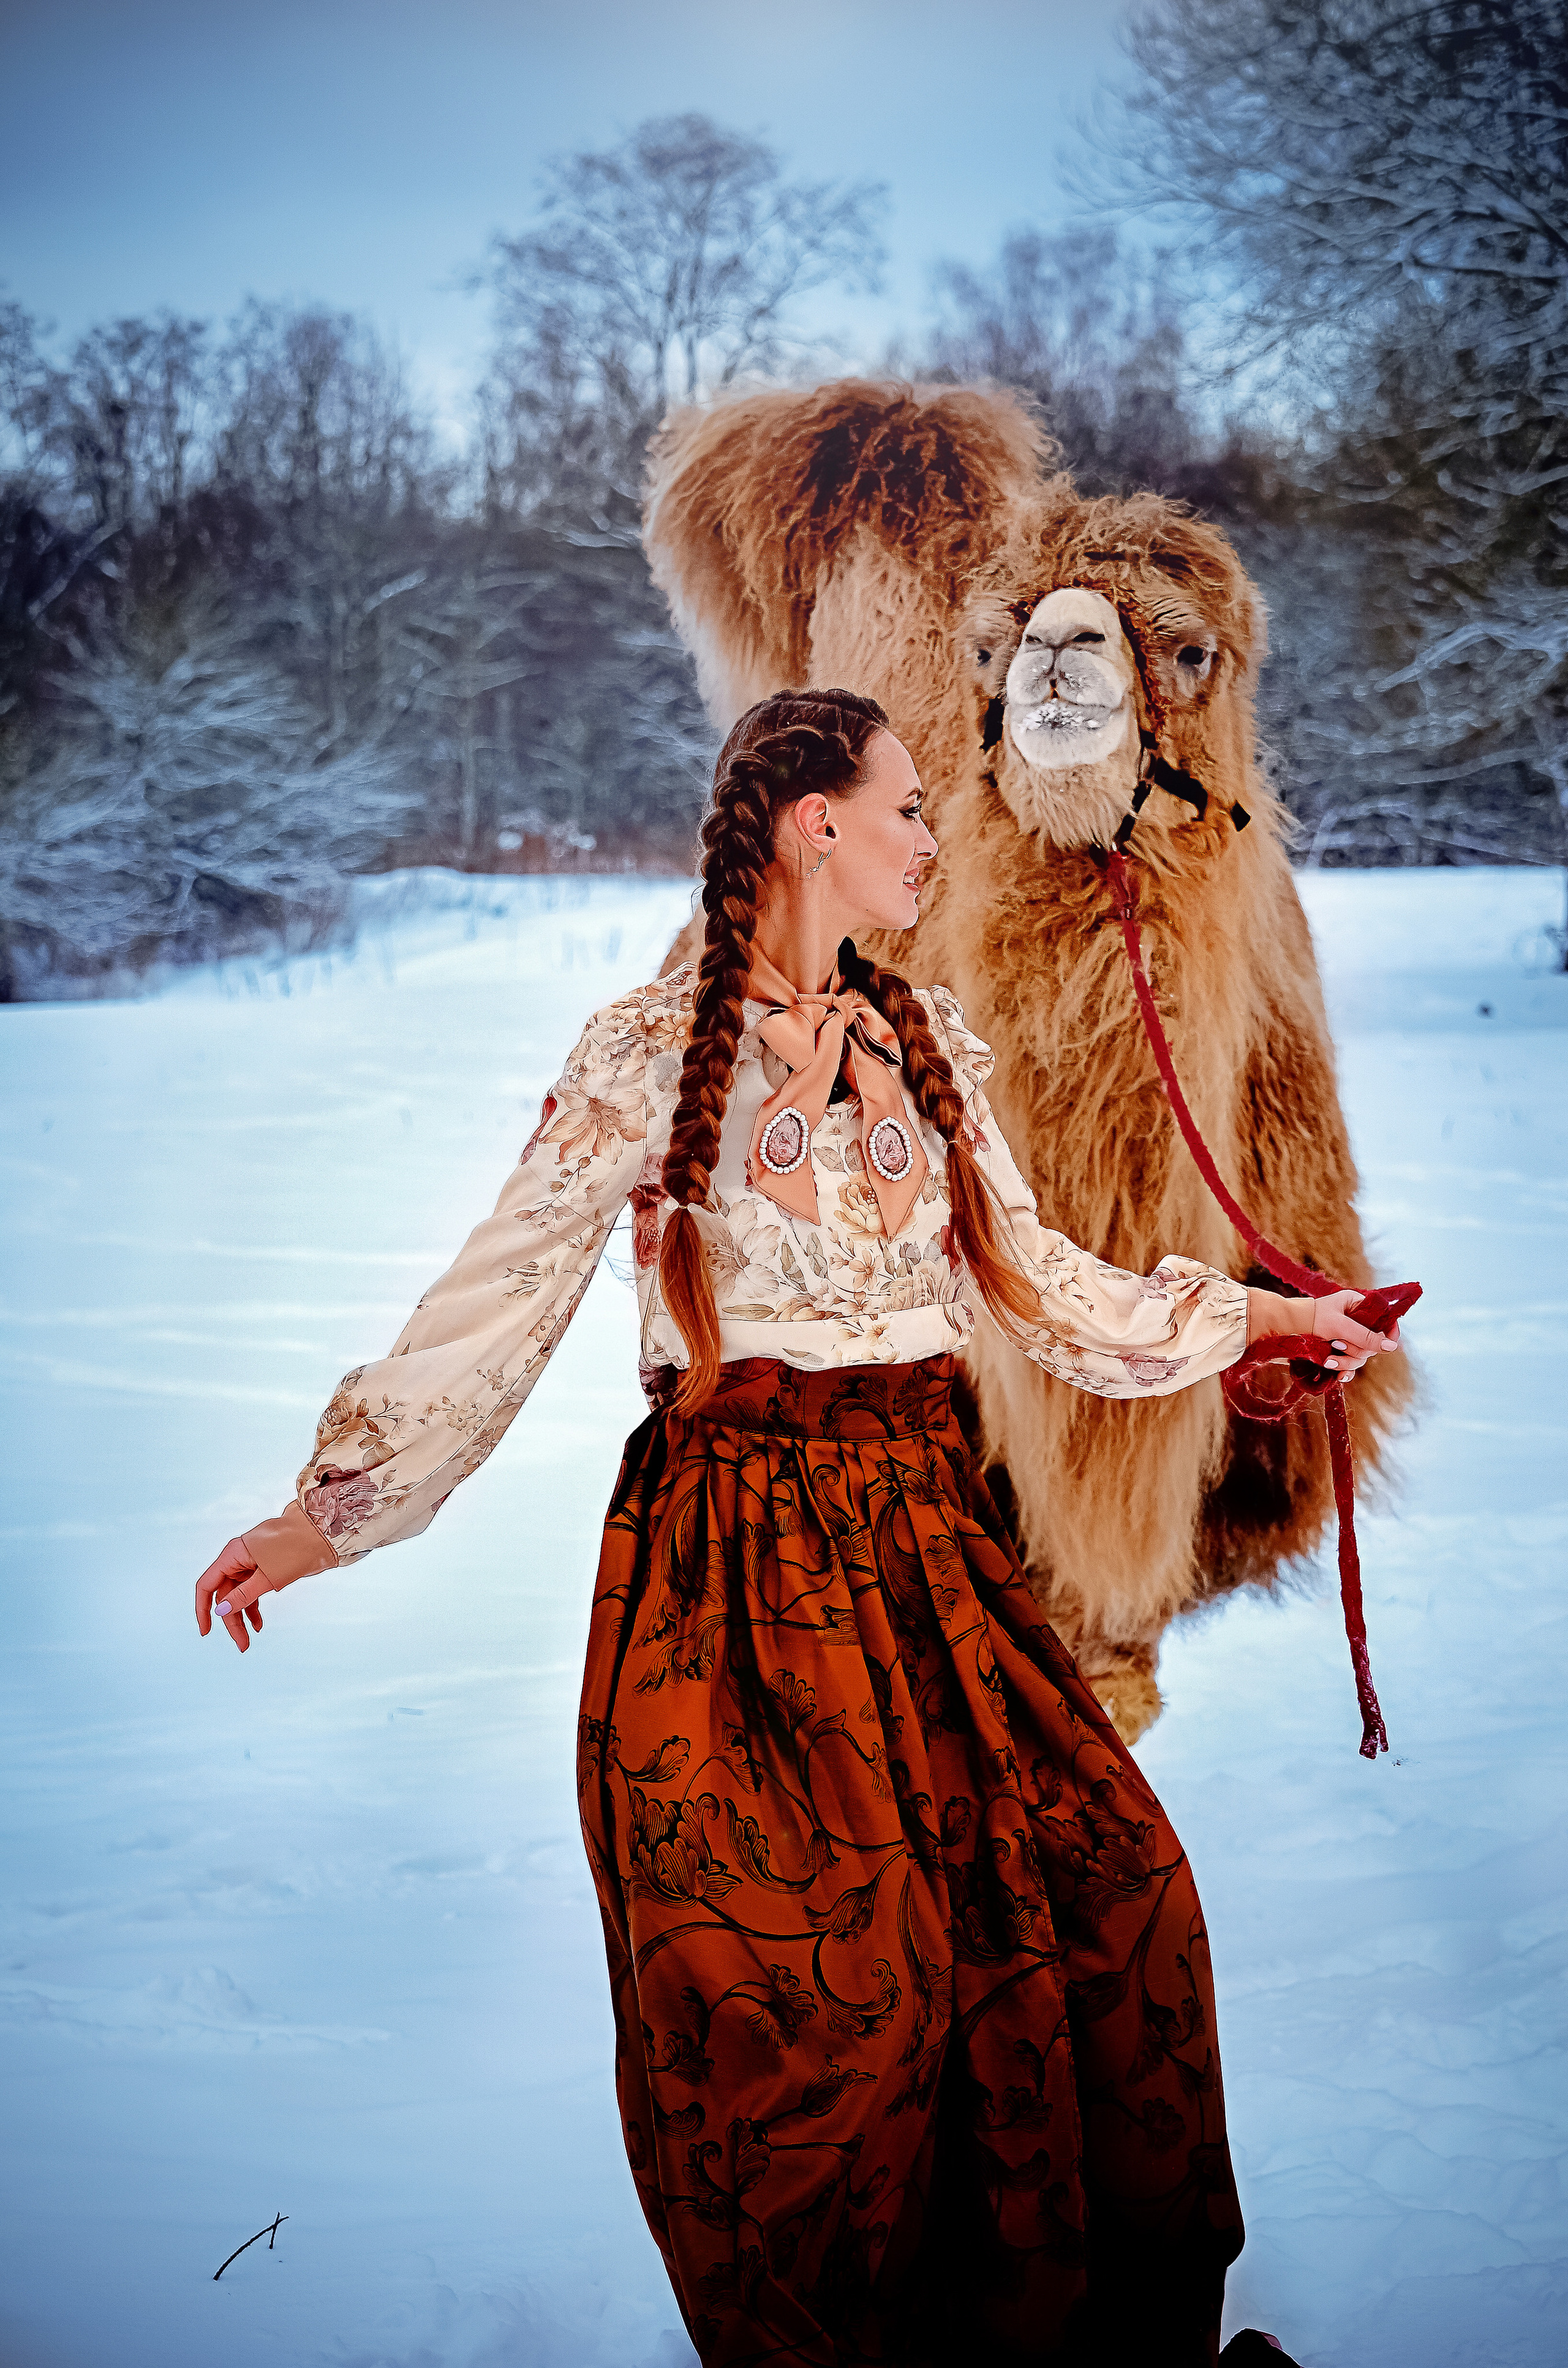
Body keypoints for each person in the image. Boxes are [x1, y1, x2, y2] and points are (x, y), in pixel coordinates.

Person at [195, 690, 1401, 2367]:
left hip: (927, 1559)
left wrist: (1264, 1325)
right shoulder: (644, 1053)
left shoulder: (933, 1052)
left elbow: (1042, 1290)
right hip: (736, 1586)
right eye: (908, 806)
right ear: (811, 823)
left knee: (1119, 1904)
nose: (934, 837)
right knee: (840, 2016)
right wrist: (327, 1514)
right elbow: (497, 1302)